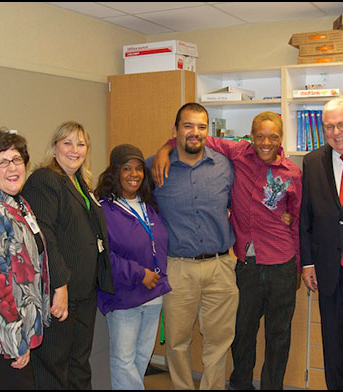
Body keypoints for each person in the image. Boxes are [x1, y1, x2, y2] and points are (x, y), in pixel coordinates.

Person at [153, 110, 302, 390]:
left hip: (281, 260)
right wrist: (166, 147)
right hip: (244, 262)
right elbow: (196, 137)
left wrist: (298, 266)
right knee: (241, 333)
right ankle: (240, 385)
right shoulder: (237, 154)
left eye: (273, 137)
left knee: (278, 334)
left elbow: (296, 219)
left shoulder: (292, 172)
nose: (266, 142)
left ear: (281, 138)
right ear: (251, 136)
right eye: (260, 136)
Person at [146, 102, 239, 390]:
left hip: (220, 267)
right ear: (175, 131)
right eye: (187, 126)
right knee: (176, 342)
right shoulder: (153, 167)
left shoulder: (225, 165)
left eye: (201, 127)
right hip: (177, 268)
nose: (195, 133)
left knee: (219, 342)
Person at [21, 121, 114, 389]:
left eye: (81, 144)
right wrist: (59, 286)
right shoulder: (45, 180)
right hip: (60, 293)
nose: (75, 150)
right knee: (53, 365)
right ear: (54, 147)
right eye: (67, 143)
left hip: (83, 292)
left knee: (78, 363)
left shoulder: (81, 183)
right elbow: (43, 236)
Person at [300, 98, 343, 390]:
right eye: (329, 126)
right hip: (330, 275)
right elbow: (307, 216)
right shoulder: (313, 161)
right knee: (336, 355)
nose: (336, 132)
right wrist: (308, 262)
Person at [0, 130, 50, 390]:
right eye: (2, 162)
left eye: (17, 159)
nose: (12, 168)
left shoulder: (17, 204)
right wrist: (15, 343)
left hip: (17, 332)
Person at [94, 143, 172, 390]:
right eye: (127, 168)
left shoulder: (148, 205)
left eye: (139, 169)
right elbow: (104, 255)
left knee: (140, 358)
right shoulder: (104, 209)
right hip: (124, 294)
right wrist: (139, 274)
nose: (134, 174)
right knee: (124, 360)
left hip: (153, 294)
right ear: (114, 172)